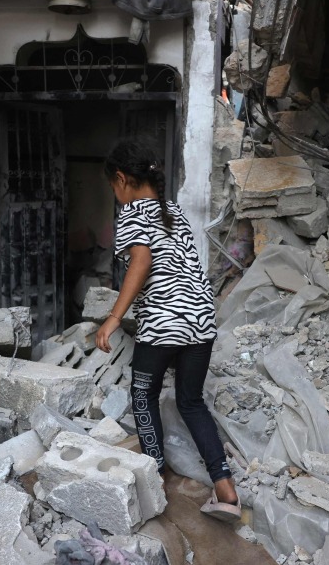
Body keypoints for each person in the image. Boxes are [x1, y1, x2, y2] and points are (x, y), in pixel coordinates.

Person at [95, 139, 239, 521]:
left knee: (143, 396)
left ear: (122, 180)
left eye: (113, 186)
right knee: (191, 401)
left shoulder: (132, 213)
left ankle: (155, 477)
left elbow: (140, 263)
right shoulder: (171, 210)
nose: (116, 194)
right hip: (201, 321)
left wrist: (113, 317)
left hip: (164, 323)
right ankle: (225, 488)